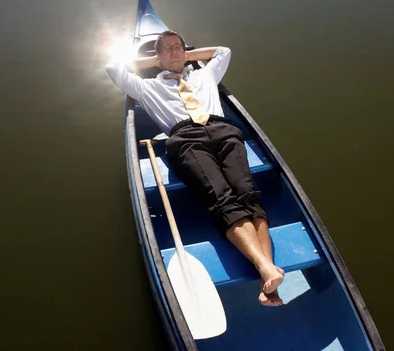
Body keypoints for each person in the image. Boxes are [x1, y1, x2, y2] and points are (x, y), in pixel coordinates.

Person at [107, 30, 284, 306]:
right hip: (186, 138)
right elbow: (113, 68)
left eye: (178, 46)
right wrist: (153, 60)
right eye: (168, 49)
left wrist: (186, 55)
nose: (175, 51)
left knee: (248, 193)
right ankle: (266, 269)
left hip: (224, 131)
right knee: (222, 196)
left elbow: (224, 51)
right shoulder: (148, 86)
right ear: (157, 57)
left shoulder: (204, 75)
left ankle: (268, 269)